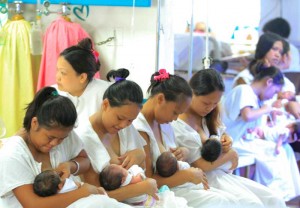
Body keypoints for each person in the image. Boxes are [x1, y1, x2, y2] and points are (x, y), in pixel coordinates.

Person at [171, 68, 287, 207]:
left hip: (222, 175)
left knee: (274, 199)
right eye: (206, 103)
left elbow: (221, 135)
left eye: (215, 104)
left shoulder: (208, 118)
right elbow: (201, 165)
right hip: (205, 180)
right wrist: (231, 154)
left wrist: (227, 140)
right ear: (192, 93)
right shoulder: (179, 123)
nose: (210, 108)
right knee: (253, 204)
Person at [0, 87, 131, 208]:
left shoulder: (62, 133)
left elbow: (85, 160)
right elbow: (33, 205)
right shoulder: (13, 154)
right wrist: (85, 191)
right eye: (50, 138)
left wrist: (71, 165)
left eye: (62, 139)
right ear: (35, 123)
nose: (55, 143)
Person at [133, 69, 245, 208]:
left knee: (234, 201)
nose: (175, 119)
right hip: (163, 191)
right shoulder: (140, 128)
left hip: (182, 184)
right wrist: (187, 176)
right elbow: (149, 181)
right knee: (223, 202)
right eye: (175, 112)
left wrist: (183, 152)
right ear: (160, 99)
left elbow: (175, 154)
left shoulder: (164, 122)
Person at [55, 44, 144, 170]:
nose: (57, 77)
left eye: (63, 72)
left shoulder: (105, 93)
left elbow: (136, 149)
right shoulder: (53, 95)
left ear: (82, 77)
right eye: (57, 70)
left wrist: (139, 153)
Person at [221, 65, 300, 201]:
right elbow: (247, 115)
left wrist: (270, 117)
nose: (273, 95)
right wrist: (267, 109)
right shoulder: (244, 89)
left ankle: (287, 195)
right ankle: (273, 197)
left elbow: (254, 126)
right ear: (268, 82)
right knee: (275, 151)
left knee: (285, 149)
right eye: (275, 91)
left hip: (244, 139)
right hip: (232, 140)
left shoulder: (256, 98)